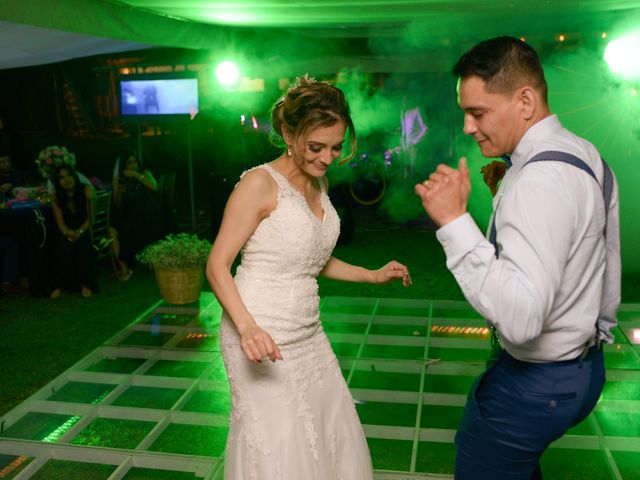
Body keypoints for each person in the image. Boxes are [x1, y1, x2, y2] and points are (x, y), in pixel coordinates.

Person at [414, 36, 620, 479]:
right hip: (584, 366)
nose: (468, 126)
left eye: (478, 112)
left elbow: (524, 319)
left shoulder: (538, 181)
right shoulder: (585, 154)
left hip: (539, 380)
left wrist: (453, 221)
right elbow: (605, 259)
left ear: (525, 101)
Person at [206, 75, 412, 480]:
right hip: (258, 330)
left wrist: (371, 276)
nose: (327, 158)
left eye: (335, 147)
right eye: (316, 147)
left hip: (308, 333)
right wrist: (247, 328)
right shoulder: (259, 185)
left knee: (324, 430)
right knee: (280, 444)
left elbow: (312, 258)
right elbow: (217, 265)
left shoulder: (319, 180)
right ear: (287, 132)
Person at [49, 166, 98, 299]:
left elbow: (91, 217)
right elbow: (59, 222)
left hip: (85, 227)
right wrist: (67, 232)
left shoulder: (87, 190)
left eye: (69, 175)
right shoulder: (55, 196)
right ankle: (58, 285)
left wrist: (80, 231)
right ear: (57, 181)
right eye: (62, 177)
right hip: (67, 229)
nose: (66, 180)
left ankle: (86, 284)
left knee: (82, 244)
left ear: (75, 176)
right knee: (61, 245)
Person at [111, 151, 161, 280]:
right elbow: (117, 204)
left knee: (131, 228)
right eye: (129, 163)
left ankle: (142, 260)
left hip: (148, 214)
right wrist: (118, 189)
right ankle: (124, 266)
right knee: (113, 229)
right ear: (124, 166)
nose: (133, 165)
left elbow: (154, 186)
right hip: (130, 216)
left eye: (135, 162)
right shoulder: (122, 180)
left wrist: (135, 175)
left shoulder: (144, 174)